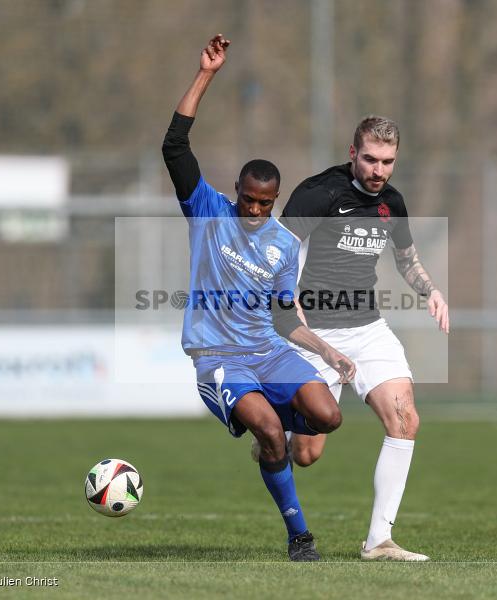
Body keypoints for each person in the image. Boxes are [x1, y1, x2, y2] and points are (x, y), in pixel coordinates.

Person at [161, 34, 355, 562]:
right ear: (238, 189)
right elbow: (174, 147)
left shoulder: (284, 246)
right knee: (271, 431)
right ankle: (300, 537)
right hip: (218, 359)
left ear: (274, 200)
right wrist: (206, 74)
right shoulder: (208, 211)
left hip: (268, 352)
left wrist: (327, 352)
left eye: (263, 202)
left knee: (328, 419)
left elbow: (284, 317)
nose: (252, 208)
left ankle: (269, 441)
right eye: (247, 197)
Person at [277, 115, 450, 561]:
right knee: (308, 453)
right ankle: (272, 432)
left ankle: (379, 542)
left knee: (405, 418)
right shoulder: (318, 193)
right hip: (314, 334)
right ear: (353, 153)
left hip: (369, 329)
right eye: (371, 159)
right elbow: (276, 252)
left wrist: (431, 291)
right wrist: (287, 302)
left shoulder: (392, 202)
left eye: (388, 161)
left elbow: (407, 259)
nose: (379, 171)